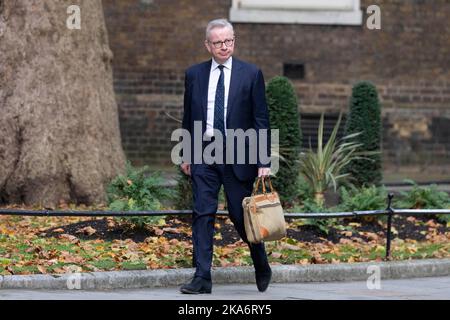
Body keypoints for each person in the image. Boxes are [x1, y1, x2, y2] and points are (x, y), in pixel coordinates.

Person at [179, 18, 272, 294]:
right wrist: (186, 153)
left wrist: (263, 161)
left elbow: (261, 120)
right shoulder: (194, 75)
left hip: (238, 154)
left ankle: (260, 262)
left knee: (239, 214)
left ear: (234, 40)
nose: (224, 46)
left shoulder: (251, 74)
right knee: (202, 213)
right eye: (218, 42)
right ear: (208, 45)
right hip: (204, 153)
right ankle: (202, 277)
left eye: (229, 40)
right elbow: (188, 116)